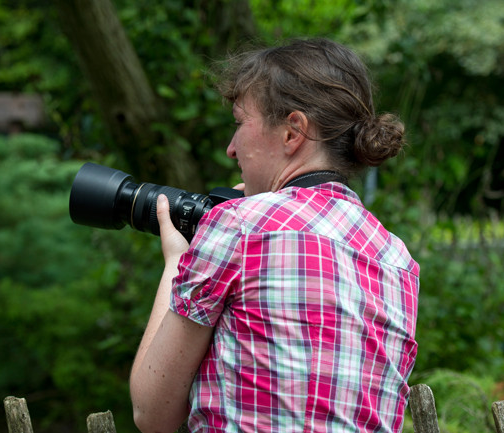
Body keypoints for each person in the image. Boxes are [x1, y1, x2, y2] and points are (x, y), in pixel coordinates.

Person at [129, 37, 419, 433]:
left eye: (239, 123)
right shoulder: (398, 262)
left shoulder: (239, 224)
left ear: (292, 132)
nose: (232, 149)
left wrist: (176, 264)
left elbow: (152, 414)